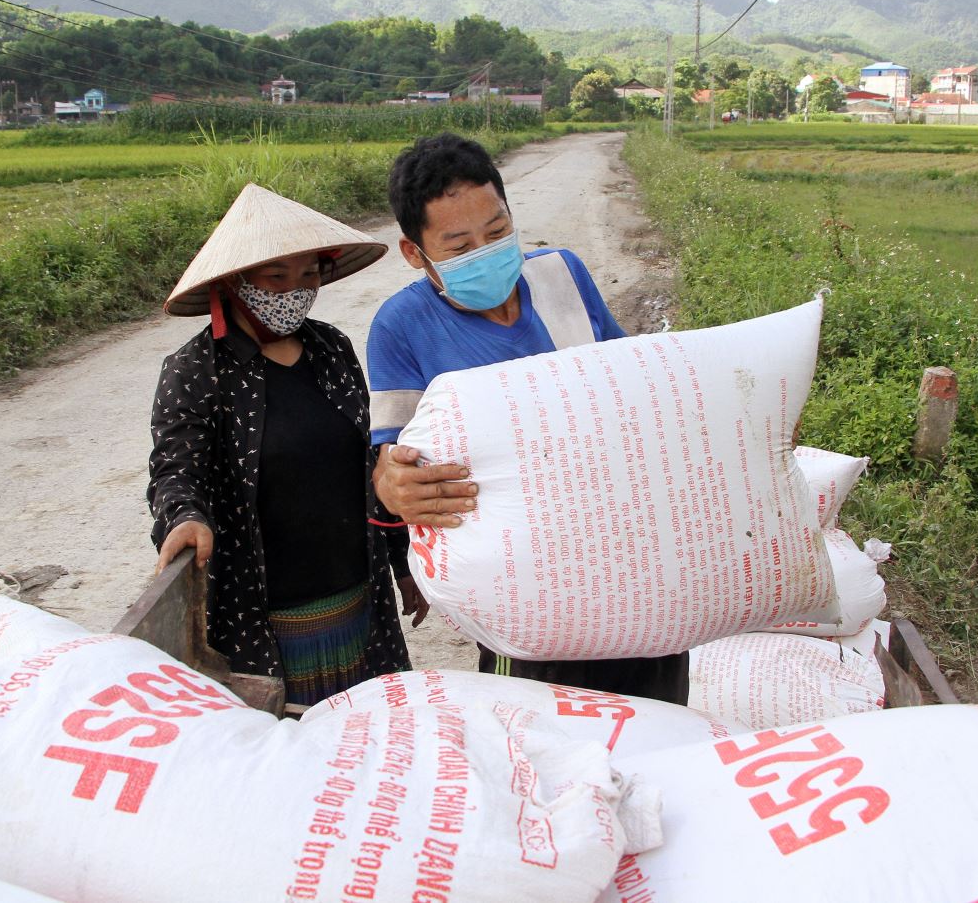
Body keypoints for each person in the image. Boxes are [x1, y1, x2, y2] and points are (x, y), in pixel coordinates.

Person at [366, 133, 690, 705]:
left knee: (655, 716)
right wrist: (393, 484)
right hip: (526, 589)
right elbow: (391, 460)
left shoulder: (563, 274)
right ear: (414, 253)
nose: (486, 253)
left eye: (496, 233)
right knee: (539, 739)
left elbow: (633, 381)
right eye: (460, 246)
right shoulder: (401, 326)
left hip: (628, 559)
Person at [147, 183, 422, 707]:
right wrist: (183, 515)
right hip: (263, 619)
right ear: (235, 282)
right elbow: (175, 468)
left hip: (359, 601)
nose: (293, 290)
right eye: (275, 277)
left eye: (308, 274)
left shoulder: (331, 348)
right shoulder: (194, 370)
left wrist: (402, 562)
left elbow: (375, 462)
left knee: (374, 746)